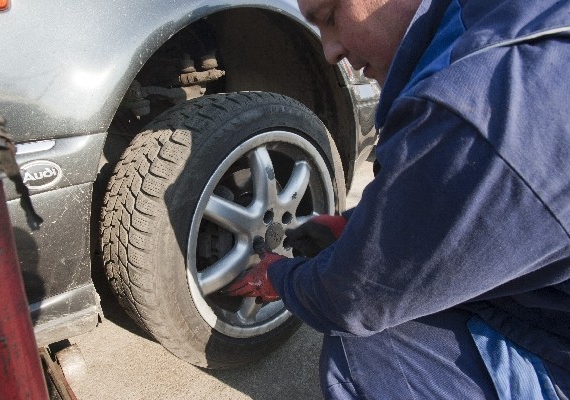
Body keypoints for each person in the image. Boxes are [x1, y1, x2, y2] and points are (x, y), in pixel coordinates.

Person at [226, 0, 570, 398]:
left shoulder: (468, 111)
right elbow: (468, 209)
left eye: (330, 17)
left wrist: (279, 278)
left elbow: (354, 297)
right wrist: (356, 227)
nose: (329, 50)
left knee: (369, 346)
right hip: (550, 308)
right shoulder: (501, 27)